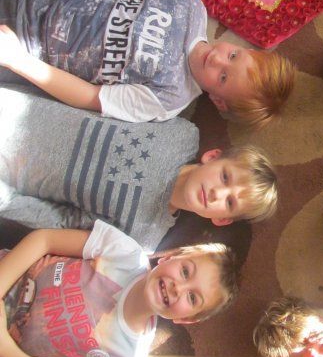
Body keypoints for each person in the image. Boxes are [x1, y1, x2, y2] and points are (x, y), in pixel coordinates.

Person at [0, 0, 296, 126]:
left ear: (218, 100)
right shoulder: (191, 8)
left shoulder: (169, 99)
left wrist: (20, 62)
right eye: (233, 55)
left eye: (223, 77)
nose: (218, 60)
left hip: (25, 48)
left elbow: (91, 97)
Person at [0, 85, 278, 249]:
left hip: (9, 175)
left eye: (229, 202)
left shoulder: (144, 237)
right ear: (213, 156)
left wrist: (6, 201)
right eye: (225, 177)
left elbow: (64, 223)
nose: (218, 193)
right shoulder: (182, 134)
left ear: (222, 220)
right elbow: (113, 100)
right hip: (18, 106)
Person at [0, 222, 237, 357]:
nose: (178, 288)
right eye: (185, 271)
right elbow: (45, 239)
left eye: (192, 298)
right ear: (167, 259)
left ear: (186, 319)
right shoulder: (125, 253)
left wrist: (4, 346)